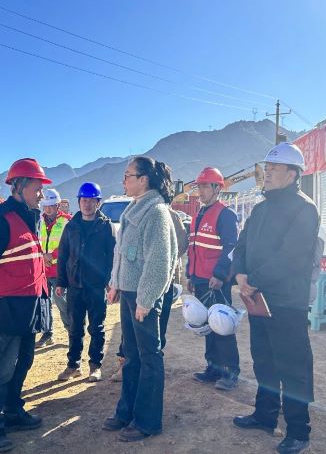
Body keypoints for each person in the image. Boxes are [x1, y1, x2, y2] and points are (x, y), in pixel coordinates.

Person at [232, 142, 319, 454]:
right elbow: (241, 245)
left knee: (293, 367)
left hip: (287, 303)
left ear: (292, 174)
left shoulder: (305, 209)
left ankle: (298, 430)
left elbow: (291, 257)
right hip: (258, 299)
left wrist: (252, 280)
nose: (266, 174)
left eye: (273, 169)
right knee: (264, 360)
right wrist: (240, 274)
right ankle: (265, 415)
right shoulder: (260, 208)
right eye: (265, 168)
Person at [0, 158, 51, 452]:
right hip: (7, 306)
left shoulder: (32, 216)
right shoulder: (0, 219)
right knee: (0, 369)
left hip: (30, 304)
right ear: (18, 187)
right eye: (36, 188)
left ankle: (13, 411)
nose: (41, 194)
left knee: (24, 361)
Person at [103, 156, 178, 442]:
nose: (124, 181)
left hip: (145, 295)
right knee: (131, 355)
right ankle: (127, 412)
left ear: (143, 179)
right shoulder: (134, 208)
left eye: (128, 175)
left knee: (149, 357)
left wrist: (145, 300)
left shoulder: (156, 212)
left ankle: (147, 421)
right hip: (129, 292)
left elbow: (159, 262)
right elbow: (121, 253)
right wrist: (115, 283)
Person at [56, 182, 115, 382]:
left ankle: (95, 366)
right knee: (75, 328)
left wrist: (110, 281)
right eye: (84, 200)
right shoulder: (71, 227)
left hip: (96, 287)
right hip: (75, 286)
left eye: (91, 201)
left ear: (98, 203)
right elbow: (63, 255)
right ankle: (73, 365)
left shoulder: (105, 227)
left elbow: (112, 256)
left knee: (96, 327)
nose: (87, 204)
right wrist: (61, 282)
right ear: (79, 202)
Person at [188, 167, 240, 390]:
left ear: (217, 188)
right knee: (208, 326)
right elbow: (193, 247)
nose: (200, 190)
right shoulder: (198, 215)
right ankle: (213, 367)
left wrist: (219, 274)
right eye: (199, 186)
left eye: (204, 186)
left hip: (216, 282)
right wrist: (190, 274)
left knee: (222, 325)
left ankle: (230, 372)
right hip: (200, 279)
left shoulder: (225, 215)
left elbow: (231, 248)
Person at [36, 188, 71, 348]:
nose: (48, 209)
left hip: (60, 271)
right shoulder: (38, 220)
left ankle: (72, 332)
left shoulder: (67, 221)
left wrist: (52, 256)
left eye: (51, 205)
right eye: (45, 206)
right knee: (44, 304)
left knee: (62, 302)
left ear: (58, 205)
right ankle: (47, 334)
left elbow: (70, 245)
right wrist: (43, 256)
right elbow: (35, 241)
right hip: (42, 269)